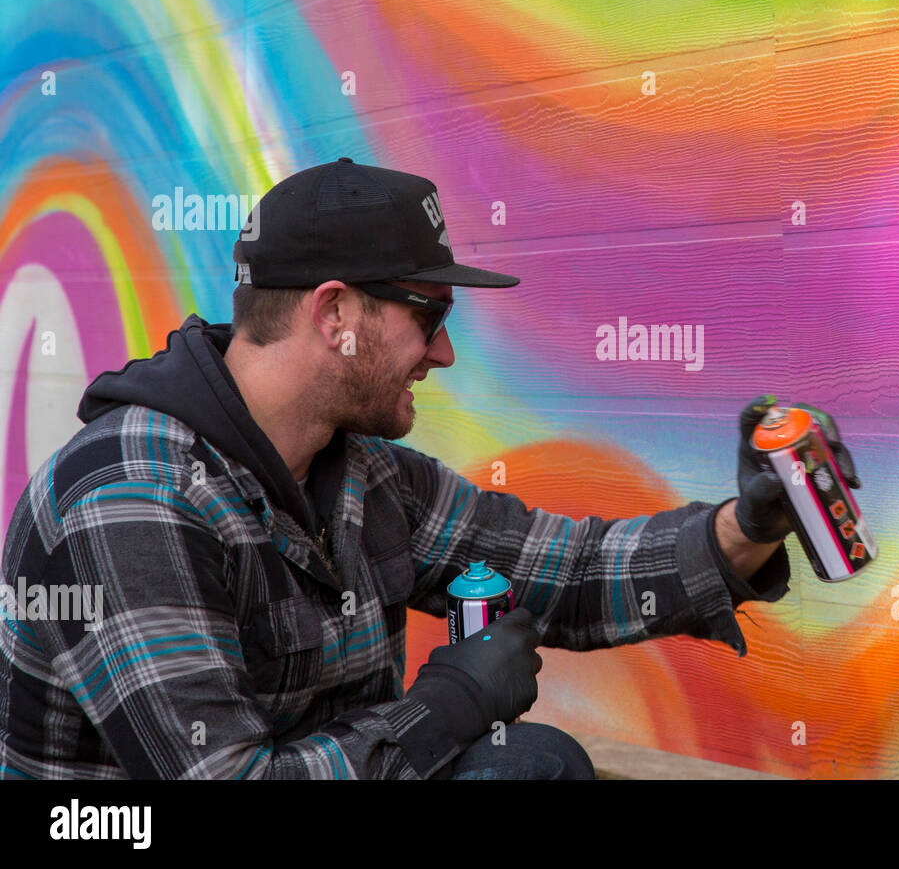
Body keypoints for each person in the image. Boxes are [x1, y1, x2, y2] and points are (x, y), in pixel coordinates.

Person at [0, 158, 854, 780]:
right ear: (335, 314)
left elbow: (568, 571)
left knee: (536, 765)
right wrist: (447, 703)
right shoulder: (130, 498)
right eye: (427, 313)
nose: (442, 352)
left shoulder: (363, 473)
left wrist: (747, 526)